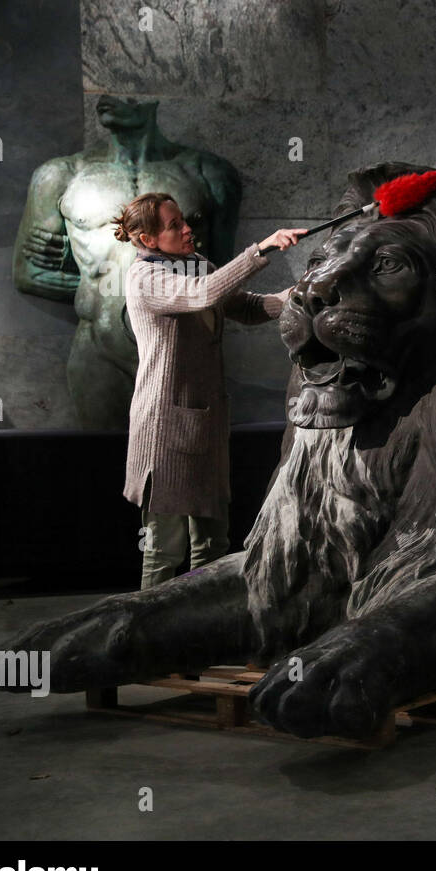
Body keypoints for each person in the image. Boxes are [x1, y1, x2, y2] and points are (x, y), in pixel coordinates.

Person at [111, 191, 306, 588]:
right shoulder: (145, 278)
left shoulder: (197, 265)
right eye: (173, 225)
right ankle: (149, 642)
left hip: (205, 424)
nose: (186, 229)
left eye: (183, 220)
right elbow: (204, 294)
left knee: (212, 546)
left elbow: (250, 308)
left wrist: (301, 291)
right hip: (164, 428)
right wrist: (262, 248)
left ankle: (203, 635)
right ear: (147, 239)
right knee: (163, 551)